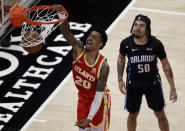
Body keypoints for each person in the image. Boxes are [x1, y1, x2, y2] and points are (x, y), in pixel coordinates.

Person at [54, 5, 111, 131]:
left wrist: (90, 118)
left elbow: (98, 95)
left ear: (101, 45)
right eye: (90, 35)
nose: (90, 38)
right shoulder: (78, 49)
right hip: (83, 99)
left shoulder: (103, 67)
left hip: (100, 101)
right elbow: (66, 33)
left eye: (94, 37)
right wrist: (61, 16)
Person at [117, 14, 177, 131]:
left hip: (152, 83)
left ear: (147, 29)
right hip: (133, 83)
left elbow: (165, 65)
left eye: (141, 26)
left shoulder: (156, 44)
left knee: (160, 114)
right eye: (135, 25)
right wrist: (120, 79)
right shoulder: (126, 43)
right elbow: (121, 59)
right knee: (133, 114)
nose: (137, 28)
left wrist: (172, 88)